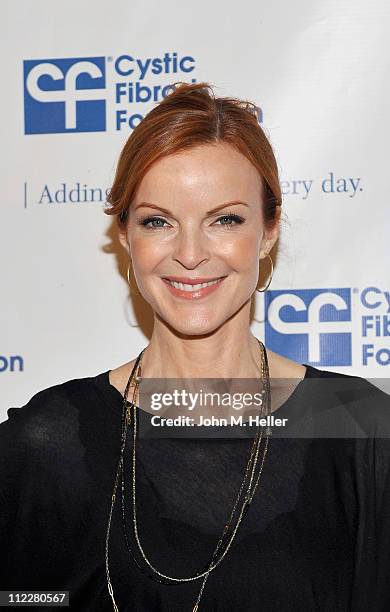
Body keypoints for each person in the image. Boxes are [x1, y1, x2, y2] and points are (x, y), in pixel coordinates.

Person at [1, 81, 390, 612]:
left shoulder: (357, 429)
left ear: (269, 230)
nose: (189, 254)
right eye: (158, 221)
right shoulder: (47, 442)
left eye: (224, 219)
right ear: (124, 236)